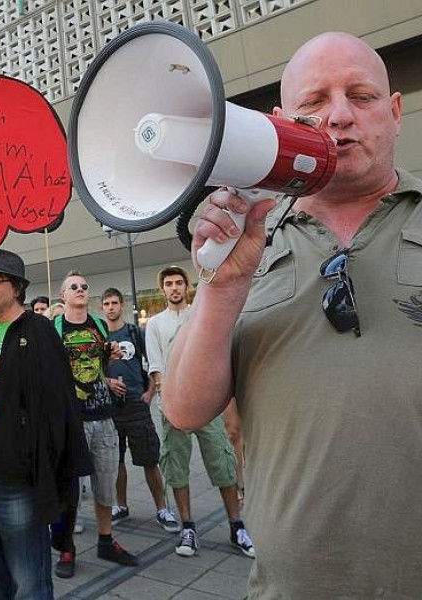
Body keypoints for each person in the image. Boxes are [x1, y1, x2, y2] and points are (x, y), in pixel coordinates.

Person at [163, 32, 422, 597]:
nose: (339, 117)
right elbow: (184, 407)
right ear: (282, 121)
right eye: (314, 103)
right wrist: (222, 287)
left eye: (362, 95)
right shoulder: (244, 241)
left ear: (396, 111)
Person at [0, 249, 91, 599]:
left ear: (17, 288)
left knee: (28, 581)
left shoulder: (37, 330)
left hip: (13, 476)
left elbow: (53, 395)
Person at [146, 266, 254, 559]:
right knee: (177, 467)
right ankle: (188, 527)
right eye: (168, 283)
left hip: (208, 404)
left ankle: (237, 525)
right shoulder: (154, 324)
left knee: (222, 462)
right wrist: (169, 398)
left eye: (179, 282)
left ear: (187, 286)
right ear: (162, 290)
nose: (174, 288)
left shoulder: (201, 316)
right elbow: (156, 369)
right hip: (172, 406)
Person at [52, 271, 138, 579]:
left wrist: (110, 368)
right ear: (63, 295)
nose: (80, 289)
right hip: (72, 420)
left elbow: (99, 369)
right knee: (68, 489)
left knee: (105, 482)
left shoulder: (100, 325)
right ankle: (66, 548)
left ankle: (105, 540)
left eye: (84, 286)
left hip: (102, 416)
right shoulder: (55, 328)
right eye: (73, 286)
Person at [99, 288, 180, 533]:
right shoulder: (99, 337)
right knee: (116, 461)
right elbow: (95, 369)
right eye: (106, 303)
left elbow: (153, 361)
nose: (111, 307)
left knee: (149, 459)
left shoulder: (135, 332)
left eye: (114, 302)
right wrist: (107, 383)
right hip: (111, 408)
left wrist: (150, 390)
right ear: (102, 308)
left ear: (121, 305)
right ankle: (120, 505)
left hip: (137, 403)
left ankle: (162, 508)